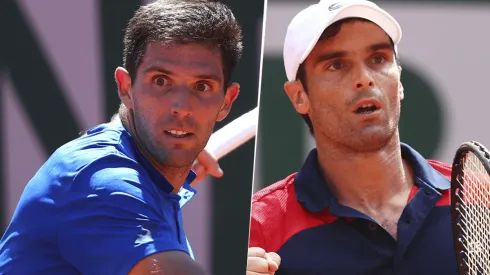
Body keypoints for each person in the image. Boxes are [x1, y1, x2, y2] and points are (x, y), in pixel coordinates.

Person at [0, 0, 243, 274]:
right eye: (161, 81)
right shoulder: (103, 182)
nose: (182, 107)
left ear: (226, 102)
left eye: (202, 86)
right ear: (126, 88)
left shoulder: (142, 169)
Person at [245, 0, 458, 274]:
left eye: (378, 59)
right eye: (336, 65)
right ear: (300, 96)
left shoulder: (479, 197)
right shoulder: (259, 227)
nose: (364, 78)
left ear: (400, 81)